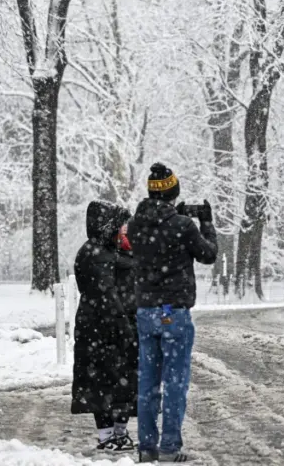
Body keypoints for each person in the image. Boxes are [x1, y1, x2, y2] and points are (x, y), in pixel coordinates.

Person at [126, 163, 217, 463]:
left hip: (145, 312)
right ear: (174, 193)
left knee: (147, 383)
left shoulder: (136, 225)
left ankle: (146, 447)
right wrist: (206, 223)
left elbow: (149, 240)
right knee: (175, 382)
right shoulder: (182, 226)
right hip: (174, 313)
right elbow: (208, 254)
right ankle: (169, 448)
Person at [71, 201, 137, 452]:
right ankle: (107, 436)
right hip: (101, 330)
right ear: (107, 226)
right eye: (121, 225)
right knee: (103, 383)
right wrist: (125, 329)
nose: (124, 230)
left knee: (120, 382)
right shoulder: (94, 254)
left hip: (111, 330)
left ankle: (119, 434)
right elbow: (106, 297)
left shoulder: (111, 252)